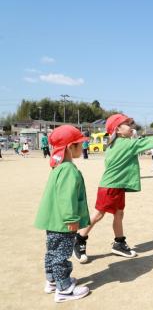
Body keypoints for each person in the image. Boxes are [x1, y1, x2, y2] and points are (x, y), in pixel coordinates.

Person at [73, 114, 153, 263]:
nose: (132, 127)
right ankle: (79, 239)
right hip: (110, 186)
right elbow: (145, 142)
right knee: (98, 215)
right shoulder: (124, 144)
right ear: (118, 129)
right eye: (128, 124)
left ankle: (119, 243)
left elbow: (139, 142)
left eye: (131, 124)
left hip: (117, 185)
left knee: (119, 214)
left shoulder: (118, 143)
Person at [34, 125, 90, 303]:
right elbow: (67, 198)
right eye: (79, 144)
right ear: (69, 147)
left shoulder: (59, 167)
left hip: (53, 221)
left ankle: (52, 281)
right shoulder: (68, 169)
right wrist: (71, 219)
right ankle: (64, 289)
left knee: (52, 252)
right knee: (61, 255)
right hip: (63, 223)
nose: (83, 147)